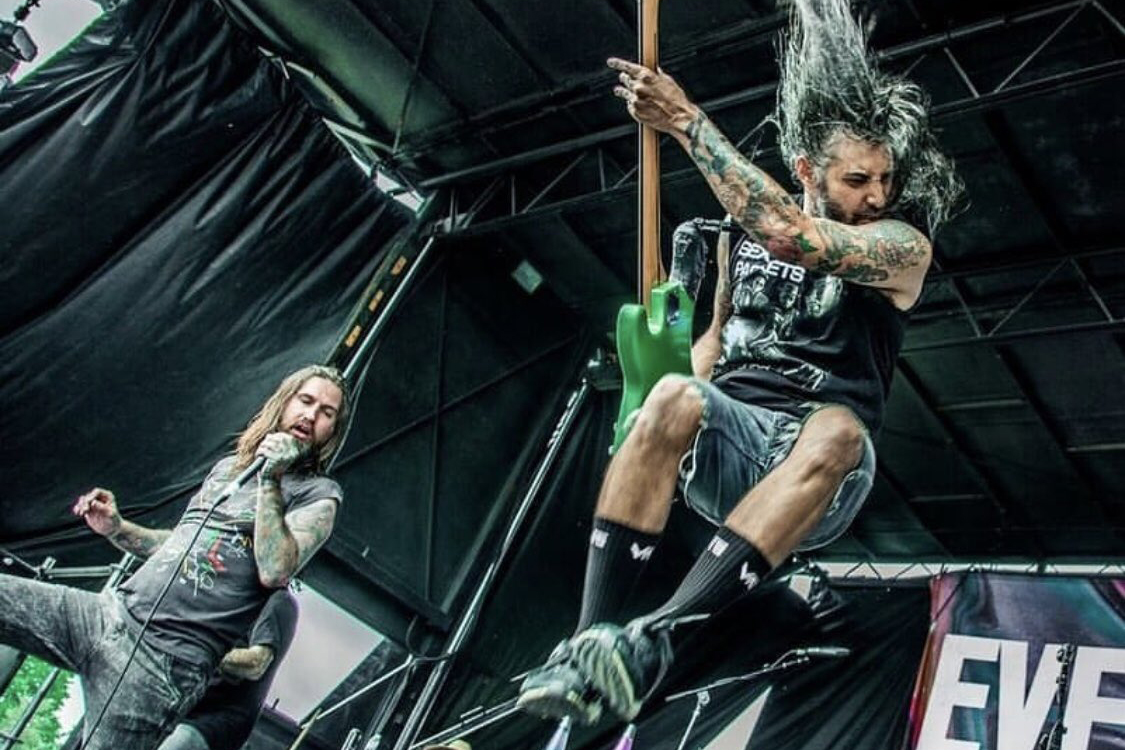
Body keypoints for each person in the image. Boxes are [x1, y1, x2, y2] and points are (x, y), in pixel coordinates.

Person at [517, 0, 962, 726]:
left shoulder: (901, 248)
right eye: (857, 180)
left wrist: (684, 120)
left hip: (815, 463)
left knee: (839, 432)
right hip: (731, 433)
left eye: (883, 178)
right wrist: (656, 422)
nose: (877, 195)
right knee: (672, 395)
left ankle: (659, 633)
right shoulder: (737, 233)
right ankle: (587, 644)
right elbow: (720, 334)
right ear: (807, 170)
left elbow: (793, 235)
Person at [0, 364, 348, 750]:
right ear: (283, 403)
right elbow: (178, 545)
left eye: (326, 412)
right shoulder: (228, 469)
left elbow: (276, 569)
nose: (311, 415)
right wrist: (117, 527)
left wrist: (271, 479)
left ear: (332, 431)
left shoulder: (320, 494)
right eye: (305, 401)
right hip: (107, 615)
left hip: (161, 663)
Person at [157, 589, 299, 750]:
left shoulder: (278, 601)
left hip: (213, 722)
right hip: (187, 709)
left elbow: (256, 663)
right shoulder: (235, 597)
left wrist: (203, 653)